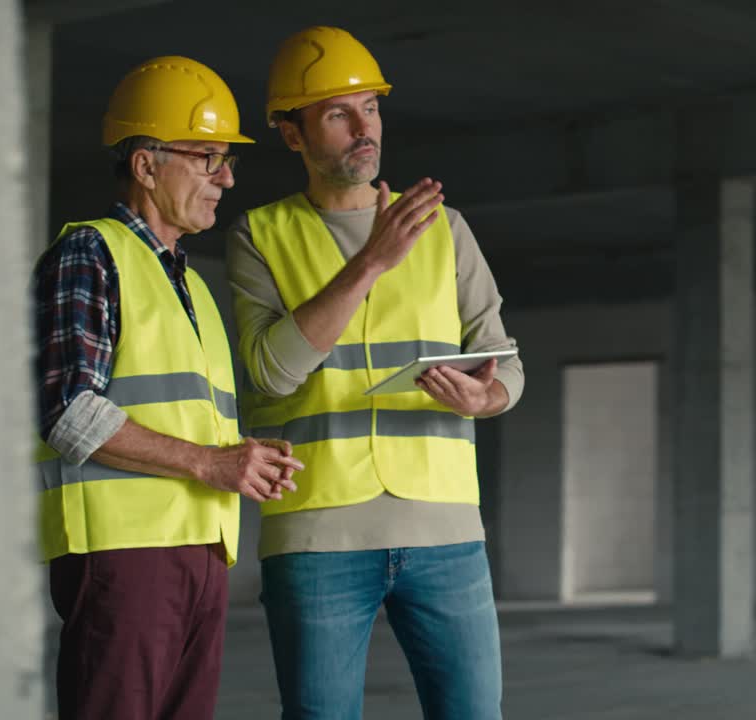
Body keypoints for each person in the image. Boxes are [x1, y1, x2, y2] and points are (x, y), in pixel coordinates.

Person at [226, 26, 524, 719]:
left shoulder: (445, 229)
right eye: (337, 113)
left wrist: (486, 398)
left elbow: (504, 360)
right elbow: (271, 373)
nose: (365, 128)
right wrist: (369, 264)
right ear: (293, 135)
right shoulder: (259, 235)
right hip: (316, 534)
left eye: (371, 107)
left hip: (447, 531)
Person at [32, 55, 303, 720]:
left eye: (226, 161)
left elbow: (179, 416)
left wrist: (240, 456)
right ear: (146, 165)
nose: (227, 178)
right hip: (126, 558)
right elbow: (69, 413)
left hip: (199, 553)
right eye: (207, 157)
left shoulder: (194, 289)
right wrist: (214, 462)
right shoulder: (89, 254)